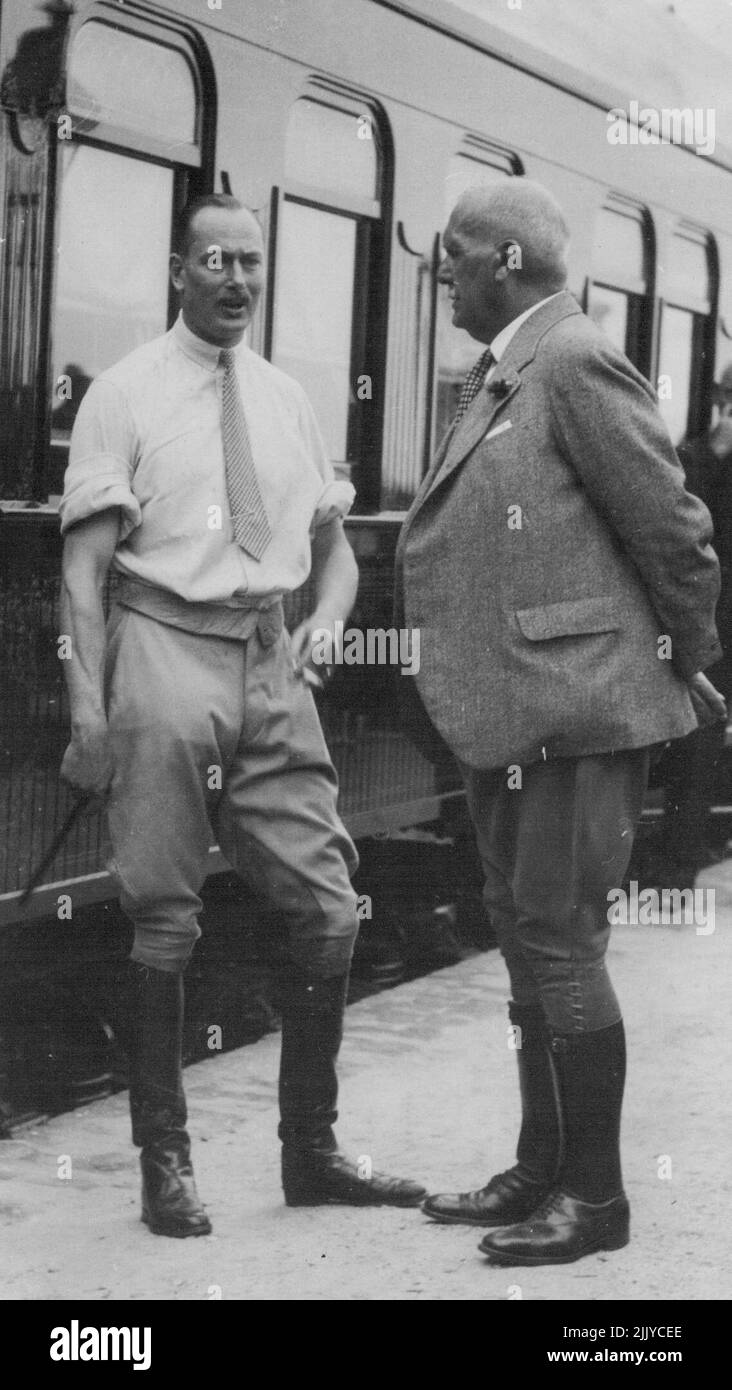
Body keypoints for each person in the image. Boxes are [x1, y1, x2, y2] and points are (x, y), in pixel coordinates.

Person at [58, 193, 426, 1238]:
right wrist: (89, 704)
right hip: (163, 644)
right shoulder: (123, 396)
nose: (236, 279)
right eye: (215, 260)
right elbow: (83, 571)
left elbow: (336, 546)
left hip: (269, 656)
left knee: (326, 902)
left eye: (252, 263)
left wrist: (332, 619)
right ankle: (162, 1162)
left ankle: (310, 1150)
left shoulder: (287, 400)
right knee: (165, 913)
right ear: (180, 269)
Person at [395, 178, 724, 1266]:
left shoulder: (575, 360)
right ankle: (542, 1167)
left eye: (455, 256)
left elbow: (673, 530)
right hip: (517, 710)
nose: (443, 273)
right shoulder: (512, 368)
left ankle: (598, 1198)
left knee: (561, 938)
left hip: (580, 708)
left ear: (505, 264)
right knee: (528, 934)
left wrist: (686, 658)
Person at [655, 363, 732, 884]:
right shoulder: (698, 456)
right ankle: (678, 867)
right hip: (715, 619)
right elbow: (688, 526)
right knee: (697, 739)